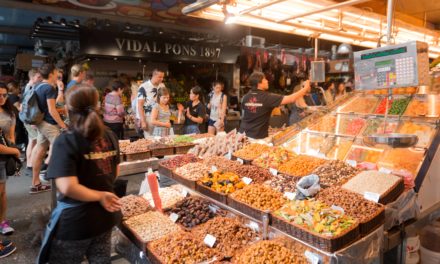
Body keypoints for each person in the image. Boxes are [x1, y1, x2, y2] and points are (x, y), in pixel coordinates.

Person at [40, 85, 121, 263]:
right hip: (105, 217)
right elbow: (115, 173)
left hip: (76, 223)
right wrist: (101, 193)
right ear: (98, 106)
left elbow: (67, 186)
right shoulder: (110, 135)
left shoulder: (65, 139)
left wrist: (99, 196)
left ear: (68, 109)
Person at [239, 72, 311, 139]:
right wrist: (305, 89)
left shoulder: (245, 97)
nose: (267, 81)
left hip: (242, 135)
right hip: (257, 138)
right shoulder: (267, 97)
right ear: (259, 83)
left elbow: (246, 115)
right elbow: (291, 98)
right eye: (265, 79)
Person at [31, 63, 67, 194]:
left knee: (40, 152)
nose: (58, 74)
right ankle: (61, 183)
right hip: (49, 124)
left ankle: (35, 183)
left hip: (41, 123)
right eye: (56, 71)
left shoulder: (38, 86)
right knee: (61, 148)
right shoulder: (49, 88)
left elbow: (47, 107)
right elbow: (51, 110)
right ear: (51, 73)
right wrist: (63, 126)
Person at [0, 82, 20, 242]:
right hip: (4, 153)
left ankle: (2, 222)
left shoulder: (9, 111)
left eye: (4, 95)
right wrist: (14, 151)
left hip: (4, 158)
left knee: (2, 192)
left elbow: (11, 136)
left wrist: (11, 149)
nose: (2, 98)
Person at [22, 69, 42, 172]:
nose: (40, 79)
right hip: (30, 120)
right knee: (38, 141)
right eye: (38, 77)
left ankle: (29, 164)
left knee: (32, 141)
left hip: (27, 119)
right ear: (32, 77)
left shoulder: (28, 87)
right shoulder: (31, 88)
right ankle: (30, 165)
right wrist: (33, 122)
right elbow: (30, 107)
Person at [136, 69, 165, 137]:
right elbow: (140, 105)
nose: (162, 79)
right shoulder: (143, 87)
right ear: (154, 75)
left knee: (162, 140)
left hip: (160, 117)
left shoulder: (162, 85)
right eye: (160, 77)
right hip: (148, 117)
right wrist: (143, 121)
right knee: (150, 141)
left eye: (163, 77)